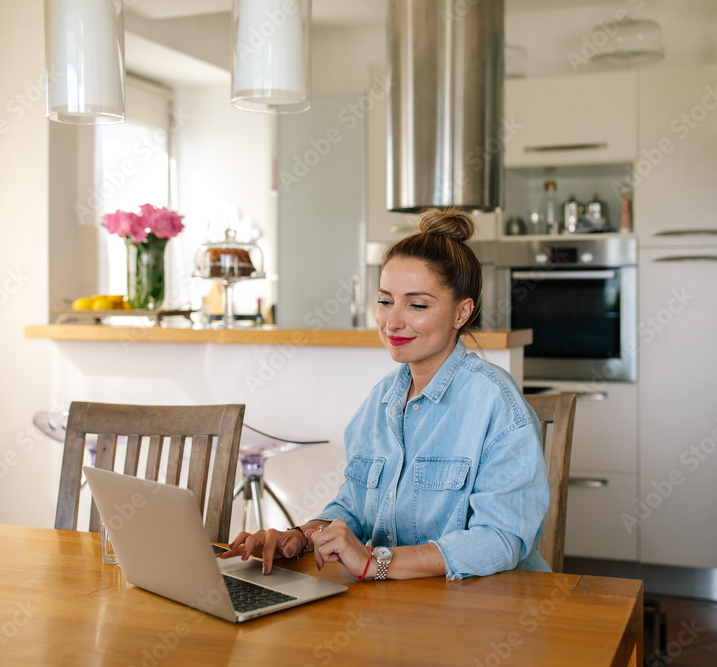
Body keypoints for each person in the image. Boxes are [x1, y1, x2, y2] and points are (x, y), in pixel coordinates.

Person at [222, 208, 550, 580]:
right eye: (385, 300)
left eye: (418, 304)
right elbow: (354, 509)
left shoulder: (495, 402)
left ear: (462, 312)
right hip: (395, 610)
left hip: (485, 614)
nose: (392, 322)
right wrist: (301, 536)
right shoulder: (381, 401)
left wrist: (376, 562)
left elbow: (501, 539)